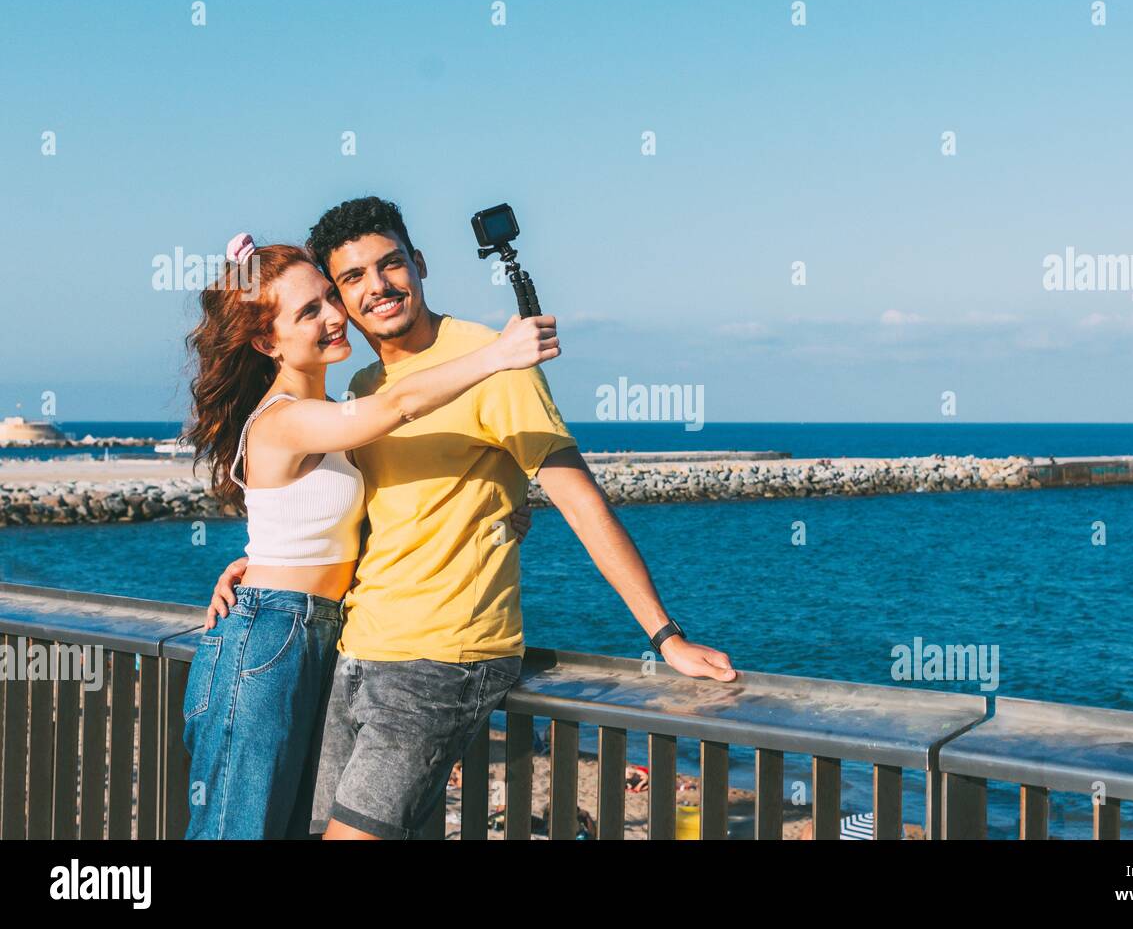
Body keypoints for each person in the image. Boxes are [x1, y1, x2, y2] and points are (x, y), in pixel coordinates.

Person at [207, 197, 737, 841]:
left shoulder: (496, 363)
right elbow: (365, 507)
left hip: (441, 656)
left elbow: (580, 500)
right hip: (355, 648)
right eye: (351, 280)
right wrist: (266, 566)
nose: (377, 288)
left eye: (391, 264)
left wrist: (664, 635)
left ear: (419, 263)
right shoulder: (363, 386)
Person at [181, 232, 559, 839]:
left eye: (330, 297)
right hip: (271, 637)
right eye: (309, 311)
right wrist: (498, 353)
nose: (336, 315)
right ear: (265, 341)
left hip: (321, 634)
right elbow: (402, 403)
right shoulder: (285, 420)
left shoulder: (329, 415)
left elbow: (367, 519)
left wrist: (505, 509)